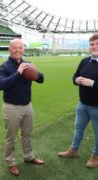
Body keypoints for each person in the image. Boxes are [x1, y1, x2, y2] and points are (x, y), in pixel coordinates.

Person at [0, 38, 44, 176]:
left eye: (20, 47)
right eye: (14, 48)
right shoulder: (4, 67)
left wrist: (35, 73)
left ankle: (28, 156)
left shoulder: (28, 64)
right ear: (10, 50)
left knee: (27, 134)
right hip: (12, 108)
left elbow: (41, 79)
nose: (18, 50)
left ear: (23, 49)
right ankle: (11, 163)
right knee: (10, 138)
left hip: (28, 106)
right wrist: (18, 72)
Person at [57, 34, 98, 168]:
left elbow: (93, 83)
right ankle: (73, 150)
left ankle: (96, 156)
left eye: (97, 44)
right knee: (78, 129)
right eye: (92, 44)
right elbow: (75, 76)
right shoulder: (85, 61)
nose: (94, 47)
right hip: (82, 104)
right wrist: (76, 80)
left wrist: (93, 83)